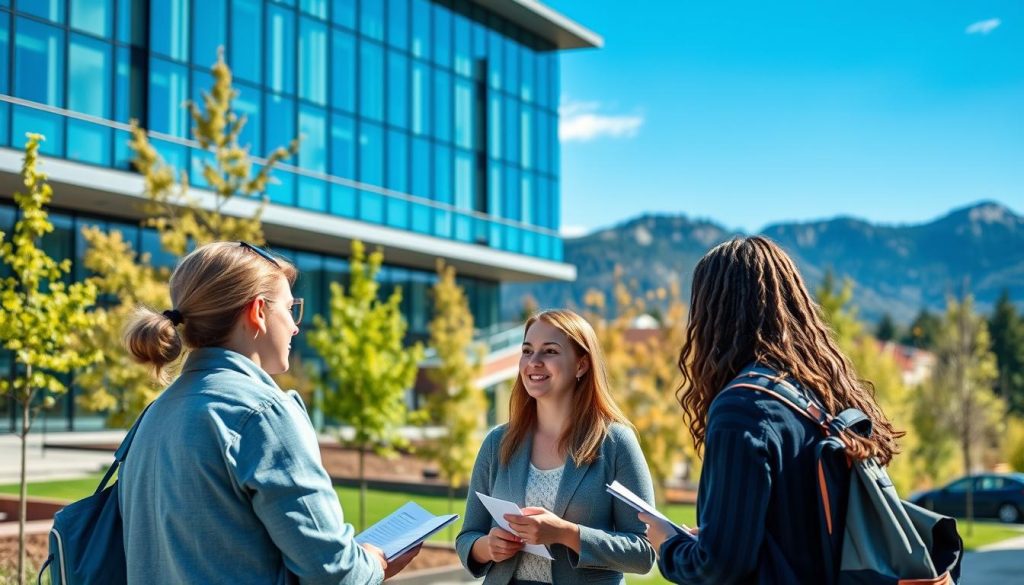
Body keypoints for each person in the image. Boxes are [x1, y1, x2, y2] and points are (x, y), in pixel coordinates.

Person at [119, 241, 419, 584]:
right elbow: (335, 573)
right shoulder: (264, 413)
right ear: (258, 311)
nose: (295, 327)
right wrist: (372, 563)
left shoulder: (154, 415)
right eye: (290, 309)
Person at [640, 236, 905, 584]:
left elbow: (720, 567)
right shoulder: (819, 392)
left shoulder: (742, 408)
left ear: (712, 314)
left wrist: (668, 543)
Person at [456, 309, 656, 585]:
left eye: (549, 351)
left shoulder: (615, 443)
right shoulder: (497, 442)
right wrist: (487, 546)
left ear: (581, 365)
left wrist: (566, 533)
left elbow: (643, 552)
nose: (533, 362)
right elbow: (468, 536)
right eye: (527, 351)